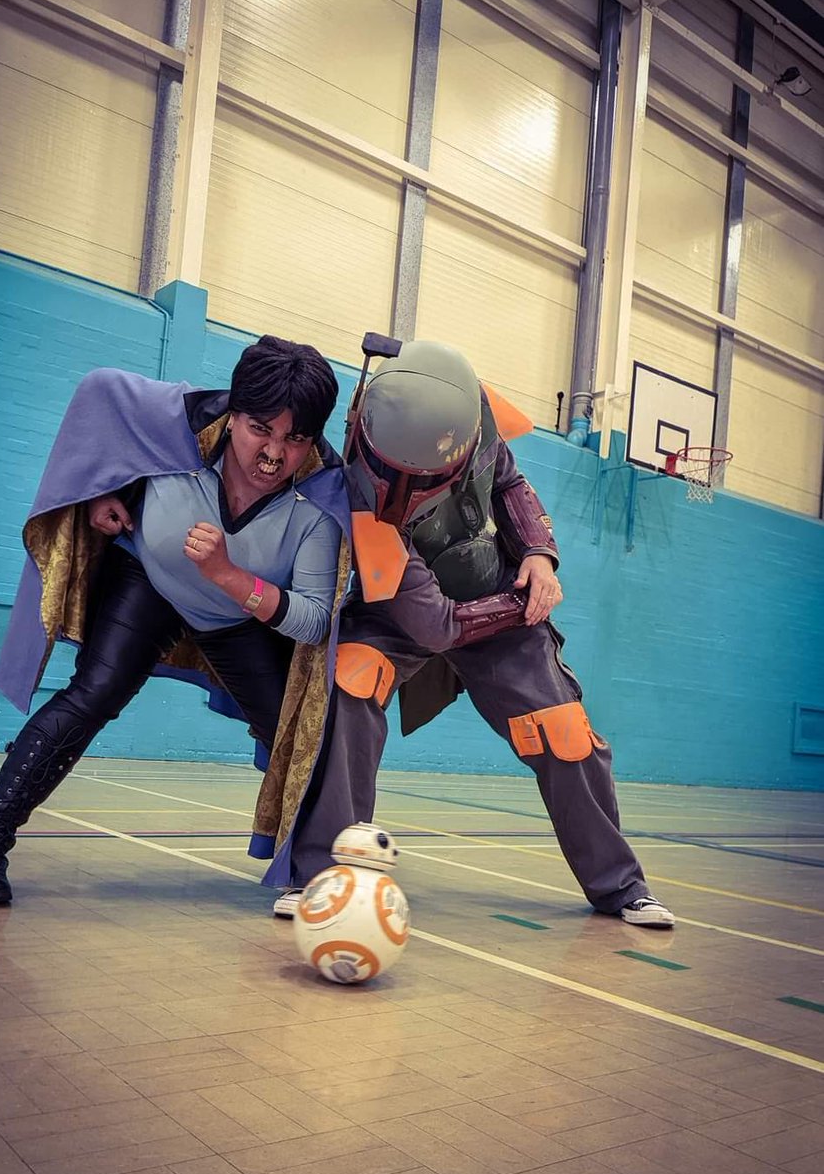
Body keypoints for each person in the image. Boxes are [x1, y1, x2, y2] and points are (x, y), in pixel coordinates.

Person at [267, 339, 675, 928]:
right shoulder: (359, 480)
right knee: (348, 684)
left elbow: (509, 484)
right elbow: (434, 627)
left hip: (497, 601)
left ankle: (621, 886)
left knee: (564, 730)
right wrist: (520, 603)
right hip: (401, 614)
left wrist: (539, 554)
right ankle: (322, 876)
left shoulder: (475, 416)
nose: (399, 486)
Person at [0, 335, 350, 904]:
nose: (272, 454)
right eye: (259, 429)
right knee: (93, 695)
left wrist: (228, 575)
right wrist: (102, 491)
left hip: (234, 618)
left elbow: (312, 620)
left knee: (302, 735)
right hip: (150, 579)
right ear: (233, 413)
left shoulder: (321, 497)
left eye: (295, 439)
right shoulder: (183, 421)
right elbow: (101, 396)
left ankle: (311, 873)